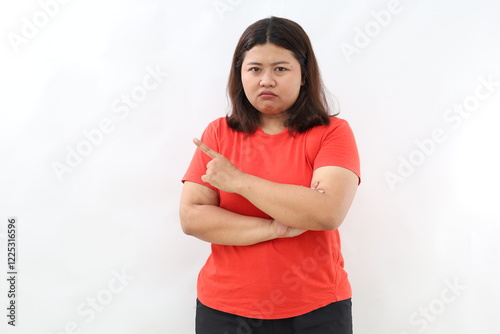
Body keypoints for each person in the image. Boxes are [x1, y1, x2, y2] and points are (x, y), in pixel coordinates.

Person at [180, 16, 360, 334]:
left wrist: (237, 181)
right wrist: (274, 228)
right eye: (254, 69)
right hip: (225, 311)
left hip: (316, 311)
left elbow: (327, 212)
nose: (266, 80)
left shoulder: (332, 133)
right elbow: (192, 218)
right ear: (240, 74)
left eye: (280, 68)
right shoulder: (218, 133)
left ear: (304, 75)